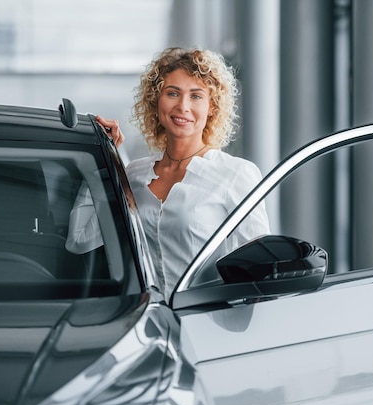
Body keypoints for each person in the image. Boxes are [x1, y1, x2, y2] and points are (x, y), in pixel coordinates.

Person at [66, 47, 271, 298]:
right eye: (172, 93)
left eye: (196, 96)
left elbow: (261, 274)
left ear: (212, 107)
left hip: (210, 323)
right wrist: (106, 158)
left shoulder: (236, 174)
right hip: (146, 324)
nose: (182, 106)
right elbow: (79, 241)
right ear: (156, 102)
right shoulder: (134, 174)